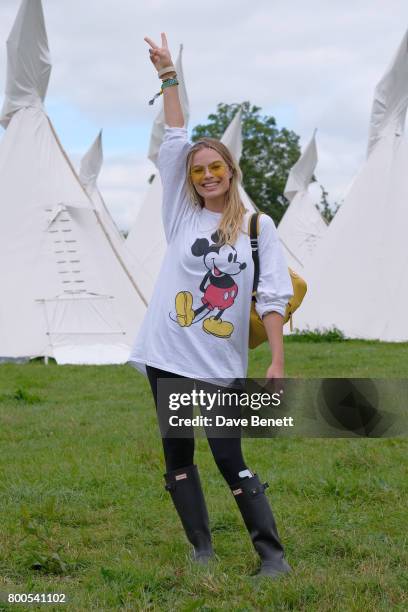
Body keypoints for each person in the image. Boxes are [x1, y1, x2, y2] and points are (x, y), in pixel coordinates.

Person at [129, 32, 294, 578]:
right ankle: (201, 549)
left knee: (229, 455)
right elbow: (175, 138)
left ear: (230, 171)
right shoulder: (180, 215)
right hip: (167, 352)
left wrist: (275, 360)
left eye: (214, 168)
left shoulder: (256, 226)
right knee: (178, 455)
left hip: (221, 365)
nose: (206, 175)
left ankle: (271, 555)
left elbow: (273, 295)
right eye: (198, 170)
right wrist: (168, 76)